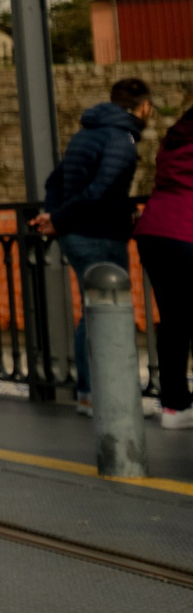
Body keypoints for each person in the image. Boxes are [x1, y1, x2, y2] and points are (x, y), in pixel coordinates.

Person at [33, 78, 153, 410]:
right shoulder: (122, 140)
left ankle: (89, 393)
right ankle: (110, 397)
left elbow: (54, 180)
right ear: (143, 108)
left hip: (77, 234)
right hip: (100, 234)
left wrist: (55, 215)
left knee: (94, 311)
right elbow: (102, 190)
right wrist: (58, 219)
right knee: (110, 312)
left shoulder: (86, 133)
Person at [131, 103, 193, 428]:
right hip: (186, 231)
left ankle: (174, 405)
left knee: (174, 320)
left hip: (155, 232)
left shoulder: (175, 139)